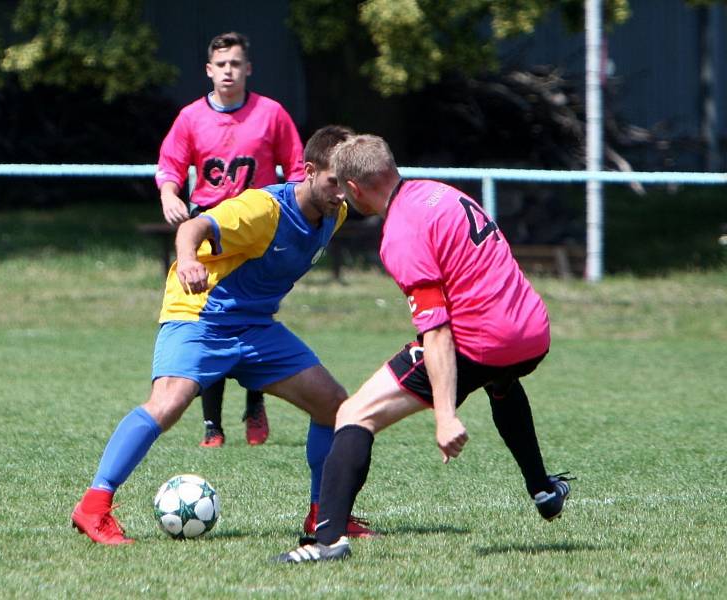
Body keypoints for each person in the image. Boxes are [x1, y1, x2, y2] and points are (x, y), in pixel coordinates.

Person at [72, 125, 376, 545]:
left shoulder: (333, 211)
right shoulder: (263, 209)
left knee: (333, 405)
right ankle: (93, 505)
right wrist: (188, 262)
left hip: (255, 326)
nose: (342, 193)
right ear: (307, 171)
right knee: (170, 402)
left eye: (348, 184)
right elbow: (191, 230)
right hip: (202, 314)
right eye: (333, 182)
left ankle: (324, 517)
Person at [276, 134, 573, 563]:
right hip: (531, 332)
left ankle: (327, 541)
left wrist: (446, 416)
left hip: (483, 342)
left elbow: (437, 332)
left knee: (353, 414)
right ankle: (542, 488)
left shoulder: (400, 233)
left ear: (357, 189)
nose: (340, 195)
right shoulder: (440, 192)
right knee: (500, 381)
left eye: (344, 186)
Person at [155, 31, 306, 448]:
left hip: (258, 232)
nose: (228, 71)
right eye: (221, 64)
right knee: (211, 317)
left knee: (252, 314)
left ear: (248, 69)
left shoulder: (271, 113)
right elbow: (170, 165)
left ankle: (255, 403)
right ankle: (212, 425)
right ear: (209, 70)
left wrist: (293, 217)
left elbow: (296, 170)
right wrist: (170, 194)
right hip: (211, 229)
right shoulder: (191, 117)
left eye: (236, 64)